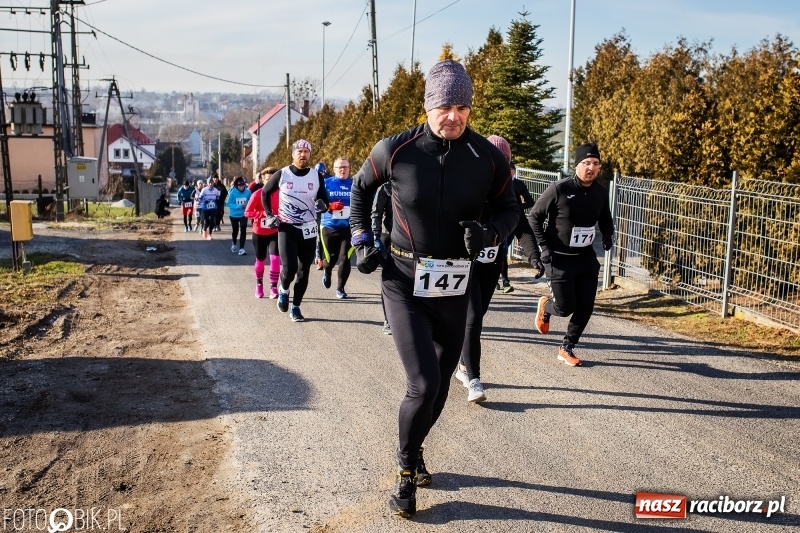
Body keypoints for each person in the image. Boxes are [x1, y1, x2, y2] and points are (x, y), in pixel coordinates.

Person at [348, 59, 519, 518]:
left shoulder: (488, 157)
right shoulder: (396, 150)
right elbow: (361, 190)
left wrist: (490, 233)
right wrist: (362, 238)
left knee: (441, 386)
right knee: (422, 383)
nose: (454, 116)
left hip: (454, 284)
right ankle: (406, 473)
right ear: (429, 106)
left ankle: (417, 447)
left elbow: (510, 211)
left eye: (462, 106)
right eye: (445, 106)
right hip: (404, 281)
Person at [453, 135, 542, 404]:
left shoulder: (510, 191)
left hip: (490, 264)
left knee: (476, 316)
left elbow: (521, 227)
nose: (499, 165)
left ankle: (461, 364)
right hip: (462, 262)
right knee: (472, 320)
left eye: (504, 160)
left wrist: (534, 256)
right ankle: (474, 378)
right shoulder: (467, 182)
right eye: (494, 158)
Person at [528, 142, 614, 367]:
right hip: (559, 257)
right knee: (565, 308)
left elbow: (605, 217)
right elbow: (534, 217)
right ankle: (546, 305)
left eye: (595, 163)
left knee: (586, 306)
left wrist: (607, 235)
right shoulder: (560, 189)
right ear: (577, 165)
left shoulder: (600, 192)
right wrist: (543, 248)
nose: (591, 168)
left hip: (585, 258)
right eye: (586, 163)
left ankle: (567, 347)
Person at [260, 140, 330, 322]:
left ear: (310, 155)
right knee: (289, 268)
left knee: (303, 271)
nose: (303, 154)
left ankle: (296, 307)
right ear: (293, 154)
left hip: (308, 228)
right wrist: (269, 215)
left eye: (306, 151)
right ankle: (284, 290)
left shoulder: (316, 176)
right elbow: (265, 193)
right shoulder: (282, 174)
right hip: (286, 227)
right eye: (299, 151)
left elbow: (324, 199)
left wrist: (323, 205)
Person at [320, 158, 354, 299]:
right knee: (330, 260)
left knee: (345, 258)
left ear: (349, 169)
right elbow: (317, 203)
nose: (342, 170)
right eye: (339, 167)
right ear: (333, 169)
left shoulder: (355, 185)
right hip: (329, 226)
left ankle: (340, 288)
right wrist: (330, 207)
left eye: (345, 167)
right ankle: (327, 272)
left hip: (348, 227)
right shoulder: (326, 184)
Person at [497, 162, 534, 292]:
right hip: (498, 220)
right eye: (508, 169)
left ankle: (502, 280)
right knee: (501, 250)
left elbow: (530, 201)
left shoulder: (518, 184)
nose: (510, 172)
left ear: (514, 171)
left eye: (512, 170)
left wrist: (519, 207)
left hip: (515, 221)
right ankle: (503, 280)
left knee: (503, 250)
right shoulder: (497, 181)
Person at [245, 173, 281, 299]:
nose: (270, 181)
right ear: (263, 181)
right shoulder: (257, 194)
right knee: (260, 260)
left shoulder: (281, 194)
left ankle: (273, 287)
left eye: (273, 179)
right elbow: (247, 212)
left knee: (275, 259)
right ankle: (259, 284)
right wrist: (264, 214)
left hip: (274, 232)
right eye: (267, 179)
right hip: (259, 233)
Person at [371, 181, 393, 335]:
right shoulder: (386, 186)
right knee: (391, 279)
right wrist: (375, 236)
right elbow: (376, 212)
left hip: (414, 238)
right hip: (389, 236)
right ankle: (389, 319)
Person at [226, 176, 252, 255]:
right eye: (239, 186)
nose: (241, 187)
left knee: (243, 230)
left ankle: (241, 248)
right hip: (234, 215)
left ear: (244, 185)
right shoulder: (233, 192)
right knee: (235, 230)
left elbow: (251, 201)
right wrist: (239, 206)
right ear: (236, 186)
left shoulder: (248, 192)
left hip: (243, 214)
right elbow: (228, 203)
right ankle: (234, 243)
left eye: (242, 185)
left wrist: (248, 205)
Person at [313, 161, 329, 271]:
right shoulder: (313, 180)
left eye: (322, 172)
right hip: (317, 212)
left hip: (329, 212)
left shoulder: (330, 180)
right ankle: (319, 258)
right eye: (319, 172)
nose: (321, 175)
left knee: (327, 237)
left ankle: (328, 258)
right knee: (319, 237)